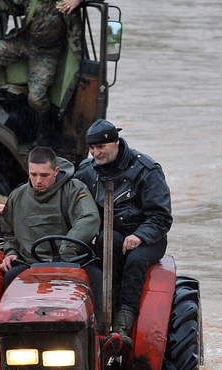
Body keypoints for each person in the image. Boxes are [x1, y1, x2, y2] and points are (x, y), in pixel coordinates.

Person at [74, 119, 173, 356]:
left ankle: (122, 327)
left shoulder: (146, 170)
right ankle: (93, 320)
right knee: (95, 254)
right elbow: (65, 193)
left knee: (136, 260)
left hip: (148, 236)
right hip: (110, 233)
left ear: (116, 143)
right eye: (92, 148)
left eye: (101, 148)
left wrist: (140, 235)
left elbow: (161, 216)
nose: (96, 153)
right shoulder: (87, 171)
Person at [0, 146, 101, 295]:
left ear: (56, 171)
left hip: (72, 262)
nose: (38, 181)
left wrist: (67, 251)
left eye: (44, 175)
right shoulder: (17, 196)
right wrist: (11, 252)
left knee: (97, 277)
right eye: (33, 174)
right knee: (10, 276)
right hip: (30, 264)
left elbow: (90, 218)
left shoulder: (74, 189)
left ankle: (102, 319)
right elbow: (9, 233)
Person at [0, 0, 83, 146]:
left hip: (47, 52)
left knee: (37, 98)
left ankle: (45, 135)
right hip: (24, 41)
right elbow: (12, 7)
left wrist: (78, 0)